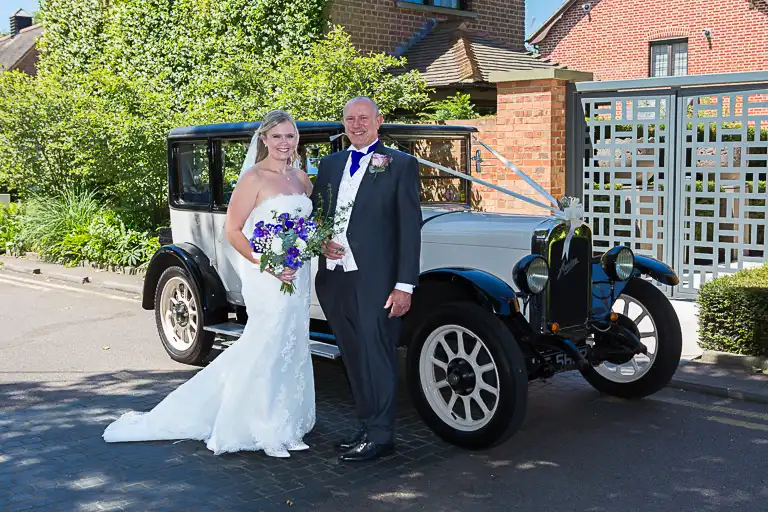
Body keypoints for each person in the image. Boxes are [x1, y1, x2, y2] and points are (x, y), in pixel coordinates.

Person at [102, 110, 317, 458]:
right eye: (276, 136)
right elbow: (233, 231)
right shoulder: (253, 179)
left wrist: (310, 244)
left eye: (290, 136)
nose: (284, 143)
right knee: (268, 342)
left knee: (292, 342)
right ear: (263, 140)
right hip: (267, 274)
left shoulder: (302, 180)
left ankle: (287, 423)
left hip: (298, 273)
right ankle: (261, 426)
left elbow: (305, 224)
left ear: (296, 140)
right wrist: (269, 263)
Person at [311, 96, 422, 462]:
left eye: (364, 118)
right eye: (350, 118)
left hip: (377, 281)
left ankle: (382, 436)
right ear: (343, 123)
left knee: (377, 356)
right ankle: (368, 424)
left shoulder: (400, 165)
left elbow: (410, 228)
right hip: (334, 280)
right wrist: (320, 241)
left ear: (378, 121)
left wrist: (404, 285)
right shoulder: (329, 165)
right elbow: (318, 218)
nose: (356, 124)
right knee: (354, 356)